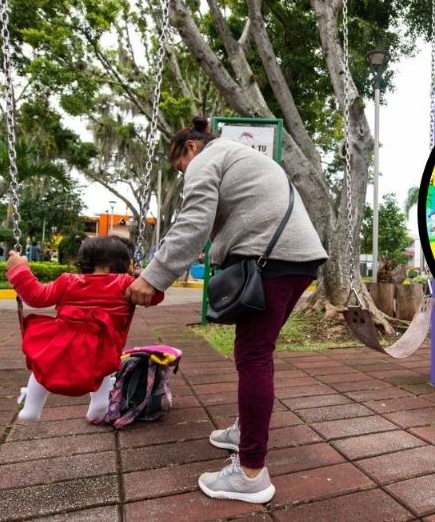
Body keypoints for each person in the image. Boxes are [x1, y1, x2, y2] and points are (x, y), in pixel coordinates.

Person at [124, 117, 327, 504]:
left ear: (190, 148)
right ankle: (244, 431)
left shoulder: (206, 159)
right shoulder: (241, 156)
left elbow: (195, 221)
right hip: (297, 260)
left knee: (252, 355)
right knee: (256, 352)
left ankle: (251, 472)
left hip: (271, 260)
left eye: (179, 165)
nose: (182, 173)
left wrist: (154, 278)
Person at [7, 235, 164, 423]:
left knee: (42, 367)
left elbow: (36, 296)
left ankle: (31, 408)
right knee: (103, 369)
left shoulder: (68, 281)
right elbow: (153, 297)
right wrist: (143, 279)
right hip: (102, 345)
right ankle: (99, 406)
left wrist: (19, 268)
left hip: (62, 339)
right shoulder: (125, 284)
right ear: (110, 266)